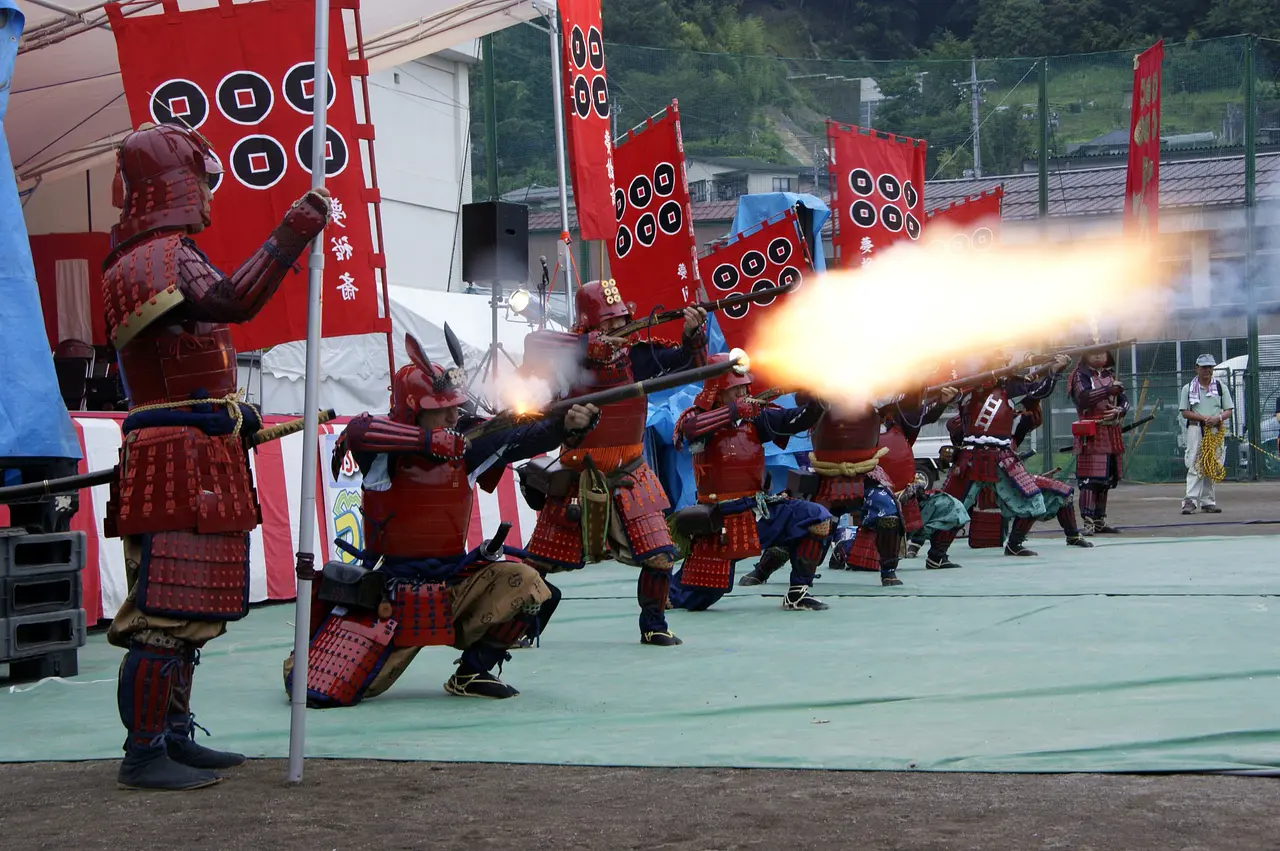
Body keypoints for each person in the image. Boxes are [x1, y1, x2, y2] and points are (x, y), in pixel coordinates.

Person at [101, 123, 331, 791]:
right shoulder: (158, 257)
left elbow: (190, 356)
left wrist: (231, 411)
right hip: (172, 454)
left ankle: (172, 731)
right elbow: (232, 301)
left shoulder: (158, 256)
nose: (207, 194)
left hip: (194, 447)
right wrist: (292, 232)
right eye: (201, 180)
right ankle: (144, 749)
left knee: (190, 610)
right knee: (164, 613)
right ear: (174, 183)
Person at [285, 337, 598, 705]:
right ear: (413, 410)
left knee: (533, 587)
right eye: (441, 409)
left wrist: (568, 427)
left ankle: (472, 671)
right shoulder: (382, 453)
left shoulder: (466, 444)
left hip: (453, 581)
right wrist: (425, 441)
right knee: (320, 690)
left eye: (454, 408)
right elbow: (358, 429)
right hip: (392, 590)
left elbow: (524, 437)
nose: (453, 417)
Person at [521, 280, 708, 646]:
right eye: (606, 322)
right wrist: (587, 347)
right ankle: (522, 627)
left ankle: (654, 624)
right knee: (540, 564)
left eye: (620, 318)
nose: (614, 327)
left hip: (630, 471)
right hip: (579, 475)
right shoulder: (568, 358)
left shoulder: (633, 357)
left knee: (660, 556)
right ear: (588, 325)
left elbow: (684, 364)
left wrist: (691, 336)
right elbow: (535, 344)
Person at [666, 356, 831, 611]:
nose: (743, 392)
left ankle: (798, 591)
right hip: (719, 519)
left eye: (745, 387)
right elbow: (689, 431)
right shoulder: (697, 416)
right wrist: (733, 412)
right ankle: (665, 592)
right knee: (693, 599)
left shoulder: (757, 418)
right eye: (736, 388)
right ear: (718, 389)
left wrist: (818, 400)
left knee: (816, 517)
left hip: (757, 511)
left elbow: (796, 420)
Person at [942, 352, 1092, 556]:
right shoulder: (970, 385)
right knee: (949, 506)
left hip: (1002, 457)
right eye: (998, 358)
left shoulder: (1010, 387)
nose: (1004, 362)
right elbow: (954, 404)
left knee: (1034, 500)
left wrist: (1054, 372)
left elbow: (1038, 392)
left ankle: (1015, 543)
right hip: (971, 457)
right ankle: (934, 553)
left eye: (1004, 359)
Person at [800, 398, 907, 586]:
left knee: (888, 513)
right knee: (809, 521)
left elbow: (909, 400)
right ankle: (771, 570)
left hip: (866, 476)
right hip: (827, 478)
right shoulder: (819, 398)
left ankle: (888, 571)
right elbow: (802, 398)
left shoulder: (875, 398)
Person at [890, 387, 970, 569]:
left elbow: (921, 414)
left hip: (901, 488)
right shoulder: (869, 414)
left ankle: (935, 555)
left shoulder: (901, 413)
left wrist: (942, 401)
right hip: (874, 491)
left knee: (952, 508)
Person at [1069, 350, 1129, 534]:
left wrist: (1120, 410)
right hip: (1091, 432)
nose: (1097, 357)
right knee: (1090, 480)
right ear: (1086, 355)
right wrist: (1107, 390)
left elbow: (1124, 400)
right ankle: (1087, 522)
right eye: (1093, 353)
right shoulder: (1080, 375)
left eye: (1101, 353)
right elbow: (1083, 399)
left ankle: (1099, 521)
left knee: (1106, 480)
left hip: (1111, 432)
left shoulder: (1110, 375)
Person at [1180, 354, 1233, 514]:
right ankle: (1190, 500)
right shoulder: (1188, 388)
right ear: (1197, 368)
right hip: (1196, 429)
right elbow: (1185, 412)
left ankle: (1208, 501)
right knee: (1196, 463)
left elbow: (1229, 410)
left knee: (1212, 463)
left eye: (1210, 367)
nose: (1207, 370)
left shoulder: (1220, 387)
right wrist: (1204, 419)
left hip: (1215, 430)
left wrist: (1217, 418)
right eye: (1203, 367)